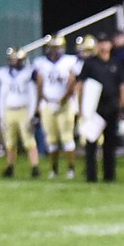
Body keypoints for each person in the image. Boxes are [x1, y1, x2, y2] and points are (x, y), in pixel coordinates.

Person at [77, 34, 124, 183]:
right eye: (101, 43)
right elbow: (81, 86)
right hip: (95, 109)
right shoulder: (90, 63)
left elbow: (122, 85)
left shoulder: (116, 63)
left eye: (106, 42)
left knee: (110, 144)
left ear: (110, 45)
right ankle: (91, 175)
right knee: (91, 142)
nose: (103, 46)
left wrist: (122, 107)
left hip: (111, 108)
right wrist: (81, 108)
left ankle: (109, 175)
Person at [33, 36, 79, 179]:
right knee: (51, 139)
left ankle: (70, 169)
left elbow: (73, 82)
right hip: (48, 104)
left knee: (67, 137)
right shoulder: (41, 63)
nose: (55, 51)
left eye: (57, 48)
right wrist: (42, 100)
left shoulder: (70, 61)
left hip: (64, 104)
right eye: (53, 48)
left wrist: (63, 99)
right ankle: (54, 170)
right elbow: (39, 83)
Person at [0, 47, 41, 178]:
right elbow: (2, 96)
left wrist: (31, 114)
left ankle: (35, 167)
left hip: (23, 110)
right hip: (9, 110)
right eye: (12, 59)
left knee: (29, 141)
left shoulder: (29, 73)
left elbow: (33, 95)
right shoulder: (4, 74)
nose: (14, 62)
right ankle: (10, 166)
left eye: (17, 59)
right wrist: (1, 116)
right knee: (9, 142)